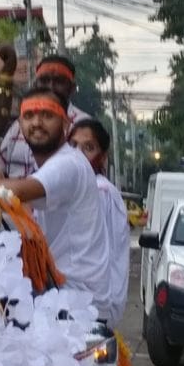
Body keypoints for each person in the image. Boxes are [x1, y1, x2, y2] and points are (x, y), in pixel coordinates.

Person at [0, 90, 119, 323]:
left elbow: (15, 192)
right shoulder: (51, 167)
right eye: (29, 115)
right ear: (20, 125)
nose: (37, 123)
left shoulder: (67, 163)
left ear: (65, 123)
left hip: (76, 307)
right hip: (62, 300)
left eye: (47, 115)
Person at [68, 116, 131, 331]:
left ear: (102, 157)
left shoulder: (100, 192)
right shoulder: (78, 189)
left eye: (88, 147)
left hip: (92, 307)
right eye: (73, 145)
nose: (77, 154)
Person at [0, 54, 90, 179]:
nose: (50, 87)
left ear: (71, 88)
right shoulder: (20, 124)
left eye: (59, 81)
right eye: (44, 81)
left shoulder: (84, 125)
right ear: (35, 85)